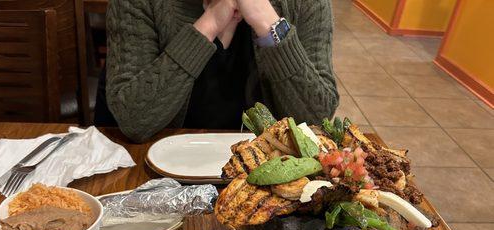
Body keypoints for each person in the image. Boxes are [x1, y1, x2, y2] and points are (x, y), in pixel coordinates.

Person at [103, 0, 339, 143]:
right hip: (162, 171)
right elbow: (134, 119)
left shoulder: (307, 4)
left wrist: (270, 26)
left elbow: (316, 118)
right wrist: (210, 24)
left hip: (270, 176)